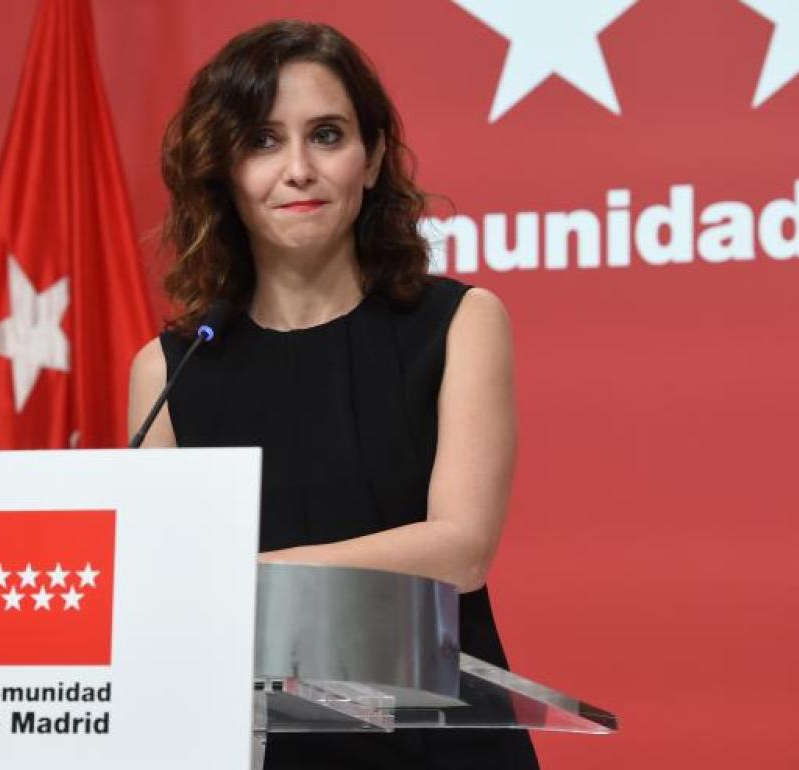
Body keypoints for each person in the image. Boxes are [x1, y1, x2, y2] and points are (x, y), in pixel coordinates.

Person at [128, 20, 539, 770]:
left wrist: (243, 576)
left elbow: (460, 551)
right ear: (223, 171)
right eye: (262, 141)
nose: (298, 170)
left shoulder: (459, 322)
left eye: (326, 136)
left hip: (438, 740)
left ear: (372, 158)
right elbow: (165, 590)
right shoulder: (169, 370)